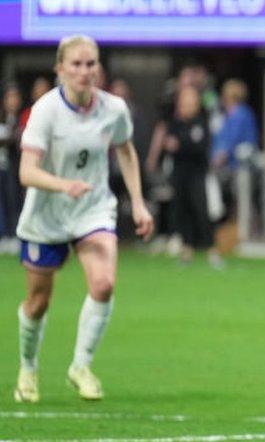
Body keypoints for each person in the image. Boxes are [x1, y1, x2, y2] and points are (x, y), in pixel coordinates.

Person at [14, 35, 154, 404]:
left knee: (104, 284)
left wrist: (138, 203)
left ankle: (81, 365)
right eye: (75, 64)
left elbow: (125, 150)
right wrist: (62, 185)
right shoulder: (45, 111)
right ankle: (28, 368)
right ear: (60, 68)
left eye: (90, 63)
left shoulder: (114, 109)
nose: (84, 71)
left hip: (92, 210)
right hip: (46, 214)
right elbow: (26, 172)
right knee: (38, 303)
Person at [165, 85, 221, 268]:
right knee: (182, 211)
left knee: (201, 211)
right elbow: (170, 145)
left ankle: (212, 250)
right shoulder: (175, 123)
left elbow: (199, 147)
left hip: (197, 174)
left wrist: (181, 144)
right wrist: (180, 144)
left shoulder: (201, 122)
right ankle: (186, 250)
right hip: (179, 174)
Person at [1, 84, 24, 240]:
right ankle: (4, 234)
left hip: (15, 167)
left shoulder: (23, 117)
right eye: (10, 97)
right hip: (1, 166)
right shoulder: (2, 117)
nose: (13, 101)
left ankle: (15, 234)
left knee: (14, 200)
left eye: (15, 97)